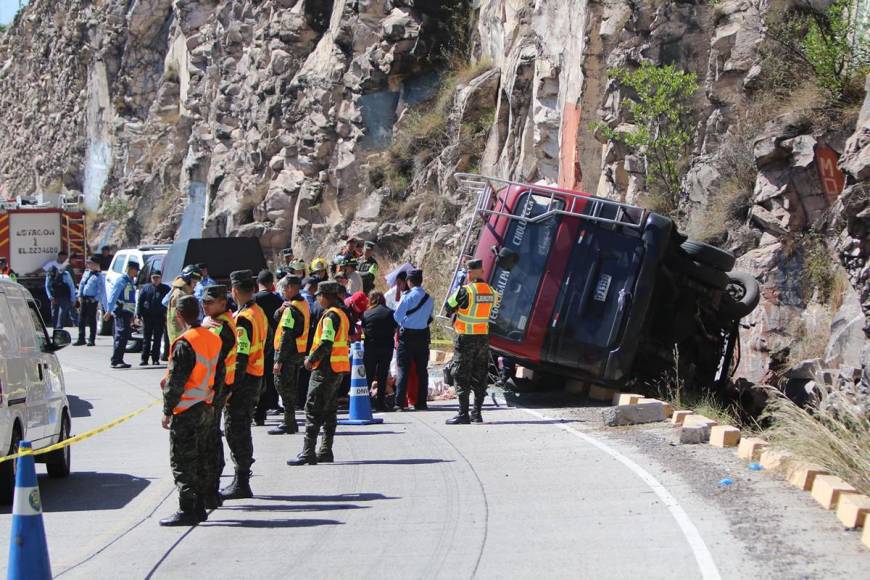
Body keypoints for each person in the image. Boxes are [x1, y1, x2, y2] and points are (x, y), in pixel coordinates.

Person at [158, 295, 222, 526]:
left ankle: (188, 509)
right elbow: (220, 373)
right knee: (203, 457)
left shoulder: (185, 342)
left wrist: (167, 409)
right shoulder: (212, 338)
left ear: (178, 315)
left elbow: (176, 381)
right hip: (206, 405)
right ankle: (201, 505)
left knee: (182, 461)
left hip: (186, 409)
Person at [288, 281, 350, 466]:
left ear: (325, 296)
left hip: (325, 369)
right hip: (336, 369)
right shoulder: (341, 313)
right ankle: (325, 450)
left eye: (319, 296)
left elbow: (326, 342)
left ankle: (308, 452)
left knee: (313, 409)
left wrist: (311, 359)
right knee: (330, 411)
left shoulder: (331, 316)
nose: (317, 299)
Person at [221, 270, 267, 500]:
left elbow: (241, 355)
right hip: (256, 376)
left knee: (235, 429)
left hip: (244, 380)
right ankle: (242, 480)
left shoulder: (243, 319)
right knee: (242, 427)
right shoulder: (258, 313)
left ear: (235, 291)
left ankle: (241, 481)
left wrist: (230, 386)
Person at [444, 259, 498, 424]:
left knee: (461, 374)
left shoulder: (465, 291)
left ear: (471, 273)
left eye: (467, 272)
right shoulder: (492, 292)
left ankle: (463, 414)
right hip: (482, 338)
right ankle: (477, 413)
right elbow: (493, 307)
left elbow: (448, 307)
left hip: (466, 338)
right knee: (480, 375)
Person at [200, 285, 236, 509]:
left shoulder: (219, 327)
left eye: (210, 302)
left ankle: (211, 490)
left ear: (223, 303)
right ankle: (211, 490)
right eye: (204, 302)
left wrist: (201, 328)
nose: (205, 305)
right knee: (210, 438)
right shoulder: (217, 323)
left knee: (209, 440)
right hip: (218, 387)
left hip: (214, 388)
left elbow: (208, 354)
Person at [269, 275, 309, 435]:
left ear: (292, 288)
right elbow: (276, 318)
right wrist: (281, 309)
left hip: (288, 354)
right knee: (290, 387)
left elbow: (286, 335)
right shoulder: (301, 304)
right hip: (297, 353)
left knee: (283, 387)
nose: (283, 291)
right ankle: (289, 421)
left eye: (285, 288)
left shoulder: (292, 310)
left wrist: (279, 360)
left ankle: (288, 422)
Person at [393, 269, 433, 411]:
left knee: (403, 369)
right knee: (422, 370)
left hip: (407, 336)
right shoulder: (429, 298)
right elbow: (430, 318)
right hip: (423, 336)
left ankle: (399, 403)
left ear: (409, 282)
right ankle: (421, 402)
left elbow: (397, 317)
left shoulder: (407, 296)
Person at [254, 269, 285, 425]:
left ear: (258, 283)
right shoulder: (277, 300)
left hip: (257, 343)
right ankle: (272, 403)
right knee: (271, 374)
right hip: (274, 342)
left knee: (258, 376)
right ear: (271, 283)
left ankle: (259, 407)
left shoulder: (253, 301)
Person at [363, 291, 397, 411]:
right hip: (386, 347)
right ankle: (380, 403)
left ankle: (365, 402)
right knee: (383, 375)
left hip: (370, 348)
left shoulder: (366, 313)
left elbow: (364, 330)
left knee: (369, 374)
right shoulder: (391, 313)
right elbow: (394, 329)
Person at [105, 261, 139, 369]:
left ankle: (119, 359)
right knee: (120, 335)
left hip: (128, 312)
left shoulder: (130, 281)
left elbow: (132, 299)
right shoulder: (122, 280)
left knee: (124, 336)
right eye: (135, 270)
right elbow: (114, 295)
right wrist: (109, 310)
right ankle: (116, 360)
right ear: (131, 269)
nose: (136, 272)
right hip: (121, 311)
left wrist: (133, 314)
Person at [297, 277, 323, 409]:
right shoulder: (308, 301)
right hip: (307, 341)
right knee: (305, 372)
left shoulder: (299, 299)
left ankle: (300, 400)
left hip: (299, 341)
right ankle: (302, 400)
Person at [137, 270, 171, 365]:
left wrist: (167, 315)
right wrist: (138, 315)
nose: (155, 280)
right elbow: (140, 302)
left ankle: (155, 359)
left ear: (160, 278)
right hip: (147, 317)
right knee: (146, 339)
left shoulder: (166, 289)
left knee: (157, 339)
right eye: (154, 278)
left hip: (159, 317)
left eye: (157, 278)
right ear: (151, 278)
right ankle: (144, 359)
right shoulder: (146, 288)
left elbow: (169, 302)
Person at [74, 255, 108, 346]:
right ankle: (81, 338)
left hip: (92, 300)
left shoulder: (99, 276)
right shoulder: (86, 272)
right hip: (84, 299)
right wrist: (79, 296)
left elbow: (101, 290)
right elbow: (81, 284)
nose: (88, 264)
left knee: (92, 320)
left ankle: (91, 339)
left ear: (96, 264)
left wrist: (95, 299)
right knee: (81, 319)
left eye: (90, 263)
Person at [164, 265, 202, 344]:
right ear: (187, 281)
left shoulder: (183, 292)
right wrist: (189, 332)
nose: (195, 285)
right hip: (180, 336)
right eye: (194, 282)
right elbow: (178, 317)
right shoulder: (180, 295)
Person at [45, 265, 77, 330]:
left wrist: (73, 299)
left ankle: (59, 329)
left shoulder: (65, 275)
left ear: (57, 272)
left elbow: (71, 286)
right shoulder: (49, 276)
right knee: (54, 314)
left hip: (64, 296)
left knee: (62, 313)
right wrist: (50, 297)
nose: (53, 277)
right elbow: (47, 287)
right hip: (54, 297)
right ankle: (55, 329)